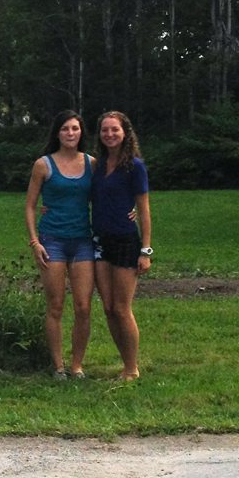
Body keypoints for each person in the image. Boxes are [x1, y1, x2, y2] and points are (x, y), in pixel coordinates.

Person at [24, 110, 96, 380]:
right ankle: (58, 366)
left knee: (83, 306)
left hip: (82, 242)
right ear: (57, 133)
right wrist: (35, 242)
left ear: (81, 133)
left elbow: (107, 194)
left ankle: (77, 365)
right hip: (52, 242)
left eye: (75, 129)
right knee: (55, 305)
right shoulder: (44, 165)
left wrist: (129, 210)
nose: (70, 133)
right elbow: (30, 206)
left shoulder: (92, 163)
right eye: (65, 129)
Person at [91, 111, 153, 381]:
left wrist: (146, 250)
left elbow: (144, 209)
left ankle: (132, 368)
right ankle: (124, 362)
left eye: (114, 130)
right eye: (105, 130)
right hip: (100, 240)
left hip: (127, 241)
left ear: (125, 133)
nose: (109, 134)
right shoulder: (97, 165)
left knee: (121, 307)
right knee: (107, 307)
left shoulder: (135, 166)